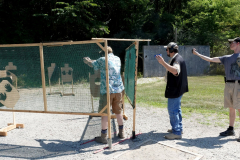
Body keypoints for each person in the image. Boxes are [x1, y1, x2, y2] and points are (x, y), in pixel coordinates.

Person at [193, 37, 240, 142]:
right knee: (231, 108)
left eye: (232, 42)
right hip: (229, 84)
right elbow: (210, 59)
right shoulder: (227, 58)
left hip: (239, 85)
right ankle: (231, 129)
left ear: (238, 43)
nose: (230, 44)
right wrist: (198, 54)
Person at [83, 46, 125, 144]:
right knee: (118, 112)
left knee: (104, 113)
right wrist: (92, 60)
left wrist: (86, 61)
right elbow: (100, 61)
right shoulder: (117, 58)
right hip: (118, 90)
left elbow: (92, 64)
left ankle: (103, 137)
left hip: (107, 91)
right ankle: (121, 133)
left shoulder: (102, 59)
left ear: (103, 53)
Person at [155, 42, 189, 140]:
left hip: (175, 90)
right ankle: (179, 128)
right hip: (179, 89)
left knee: (172, 110)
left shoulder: (177, 60)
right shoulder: (178, 58)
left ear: (171, 50)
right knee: (177, 109)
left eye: (167, 49)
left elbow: (175, 71)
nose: (166, 51)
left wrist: (163, 63)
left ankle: (177, 132)